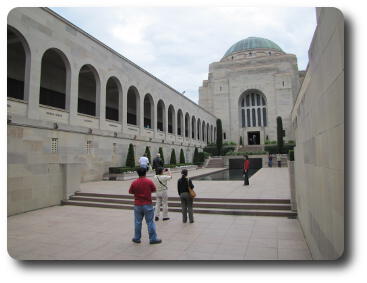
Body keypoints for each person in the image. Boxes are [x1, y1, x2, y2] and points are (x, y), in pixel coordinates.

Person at [128, 167, 162, 244]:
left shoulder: (134, 182)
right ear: (145, 173)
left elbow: (131, 191)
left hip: (137, 205)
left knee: (137, 222)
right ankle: (153, 239)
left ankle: (137, 238)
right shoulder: (149, 181)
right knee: (150, 222)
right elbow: (153, 190)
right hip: (147, 204)